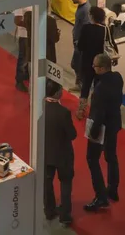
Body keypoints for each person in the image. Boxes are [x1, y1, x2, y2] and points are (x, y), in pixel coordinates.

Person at [83, 54, 123, 212]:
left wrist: (93, 132)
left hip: (101, 128)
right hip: (114, 124)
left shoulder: (100, 89)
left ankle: (100, 196)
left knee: (92, 159)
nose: (93, 68)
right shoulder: (117, 78)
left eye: (95, 66)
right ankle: (113, 189)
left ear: (102, 68)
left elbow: (99, 114)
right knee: (111, 157)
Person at [43, 80, 76, 225]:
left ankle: (49, 210)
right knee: (66, 183)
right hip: (63, 154)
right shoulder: (64, 112)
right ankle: (65, 215)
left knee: (47, 183)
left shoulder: (41, 108)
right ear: (57, 93)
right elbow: (72, 134)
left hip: (47, 153)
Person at [75, 6, 107, 120]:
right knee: (98, 88)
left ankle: (81, 110)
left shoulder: (86, 28)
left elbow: (80, 46)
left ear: (92, 16)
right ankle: (95, 111)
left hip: (87, 62)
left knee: (86, 87)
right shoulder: (105, 30)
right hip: (101, 64)